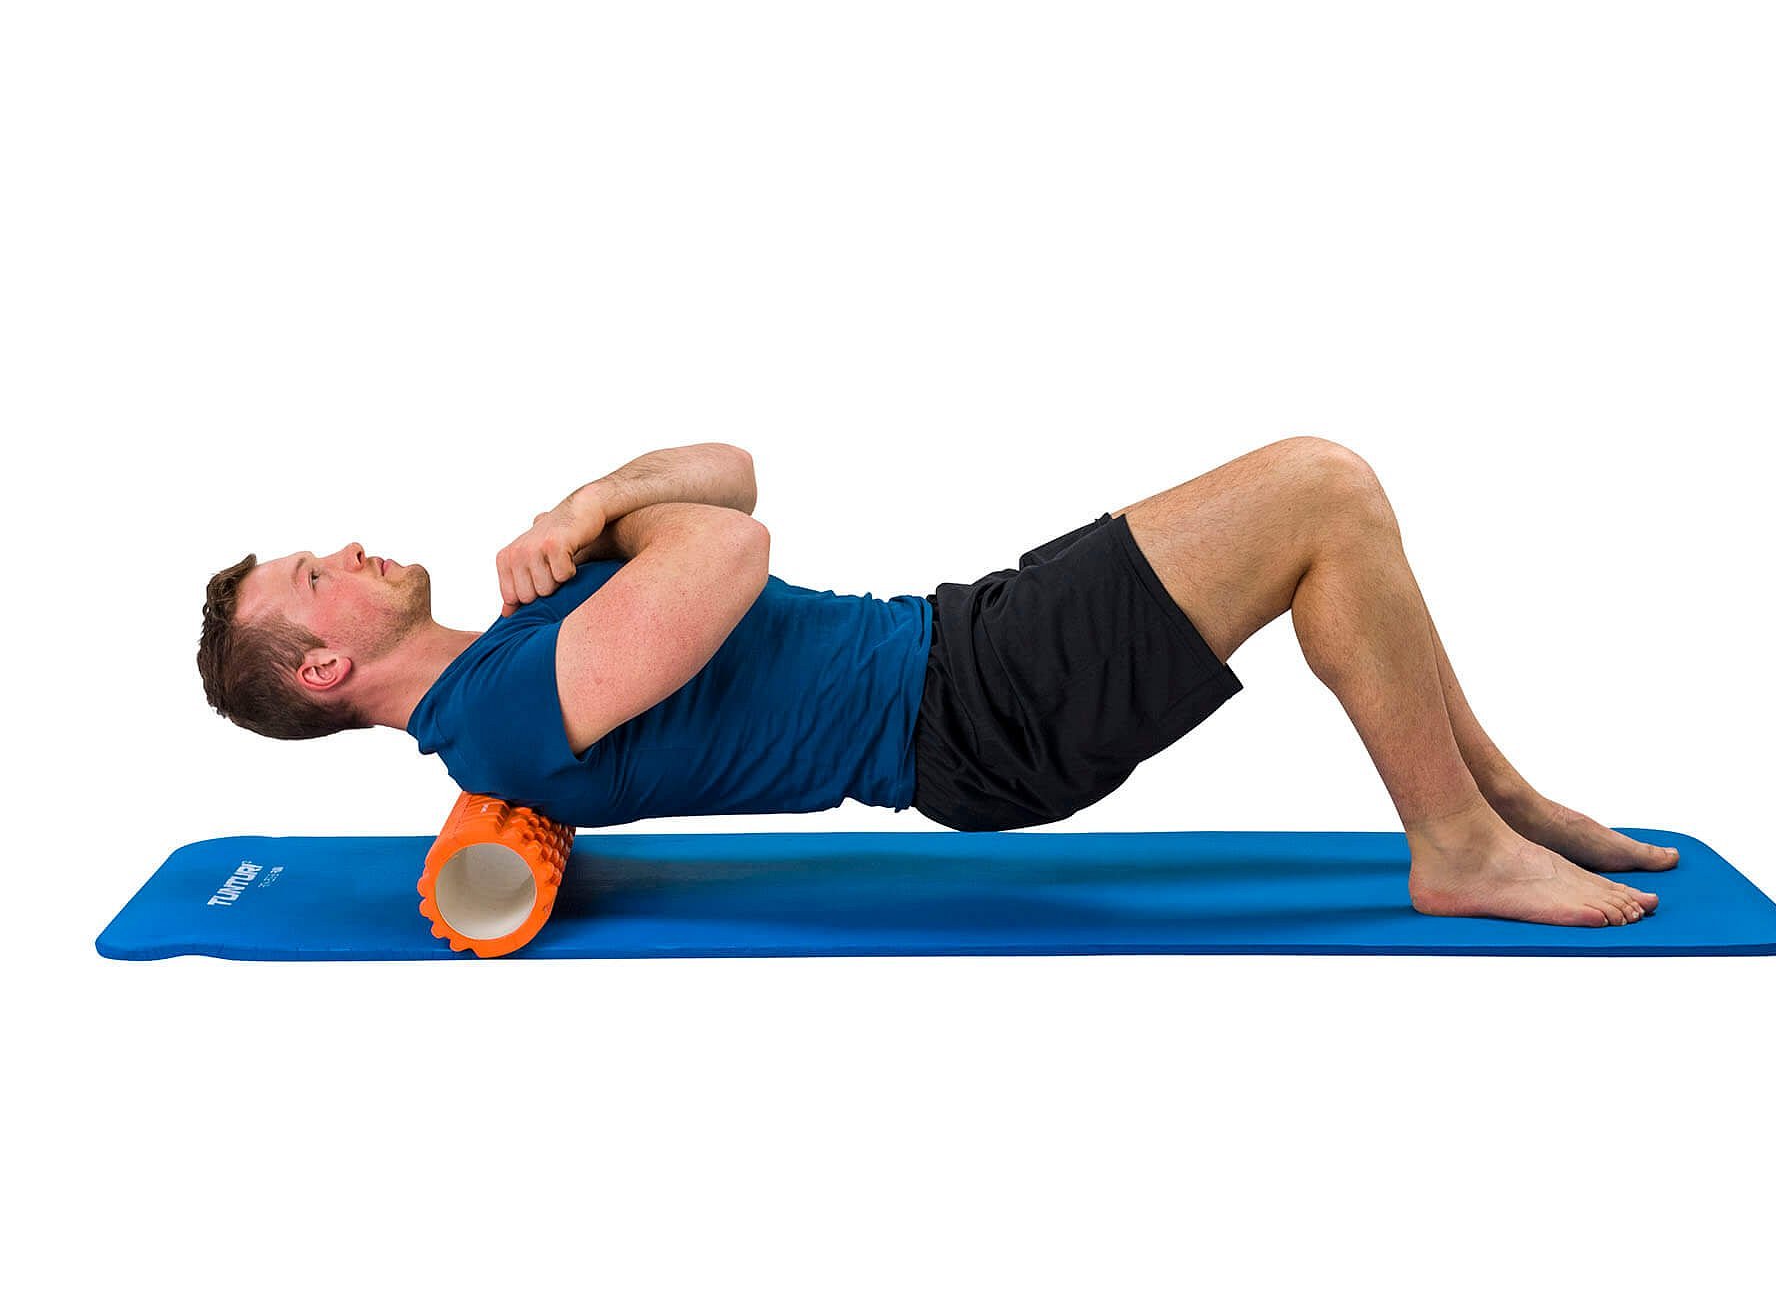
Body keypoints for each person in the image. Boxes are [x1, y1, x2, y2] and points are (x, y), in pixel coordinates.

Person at [197, 439, 1675, 927]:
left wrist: (585, 505)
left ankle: (1488, 803)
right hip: (974, 717)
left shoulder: (519, 633)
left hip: (967, 642)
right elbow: (729, 546)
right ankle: (1455, 845)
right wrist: (616, 528)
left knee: (1335, 513)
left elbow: (726, 472)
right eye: (315, 576)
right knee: (1319, 492)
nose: (346, 550)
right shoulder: (500, 718)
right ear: (327, 666)